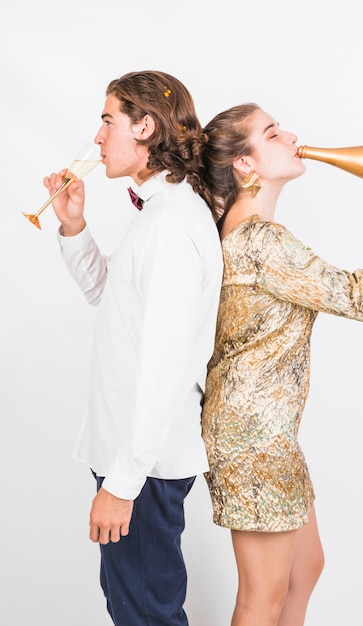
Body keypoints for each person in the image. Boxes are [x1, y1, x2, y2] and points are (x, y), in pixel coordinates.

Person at [199, 103, 363, 626]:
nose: (292, 135)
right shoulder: (262, 242)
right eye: (272, 133)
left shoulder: (248, 233)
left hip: (269, 432)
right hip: (252, 437)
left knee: (305, 570)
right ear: (245, 166)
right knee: (263, 597)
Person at [43, 71, 223, 626]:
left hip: (140, 465)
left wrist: (122, 486)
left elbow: (165, 369)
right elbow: (108, 292)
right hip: (131, 459)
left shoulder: (171, 226)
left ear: (145, 126)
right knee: (136, 608)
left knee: (146, 614)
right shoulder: (158, 215)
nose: (97, 138)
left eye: (107, 121)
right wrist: (74, 225)